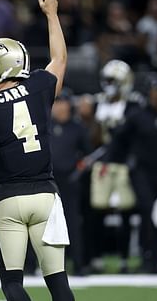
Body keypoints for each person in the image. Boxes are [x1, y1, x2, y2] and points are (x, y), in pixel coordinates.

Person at [0, 0, 74, 301]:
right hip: (46, 197)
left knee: (12, 284)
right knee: (59, 282)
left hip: (9, 199)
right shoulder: (38, 87)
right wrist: (52, 14)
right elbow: (59, 59)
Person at [110, 73, 157, 273]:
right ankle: (146, 256)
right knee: (147, 209)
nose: (155, 93)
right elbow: (119, 138)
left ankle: (154, 259)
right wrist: (122, 160)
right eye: (153, 88)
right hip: (140, 170)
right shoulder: (138, 115)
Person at [89, 59, 140, 274]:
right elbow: (94, 140)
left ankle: (124, 259)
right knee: (97, 211)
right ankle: (97, 257)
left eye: (114, 80)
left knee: (126, 212)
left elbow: (134, 138)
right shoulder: (98, 104)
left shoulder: (133, 105)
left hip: (123, 165)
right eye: (107, 80)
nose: (109, 84)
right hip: (103, 164)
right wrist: (98, 122)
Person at [50, 89, 90, 276]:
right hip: (47, 182)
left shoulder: (77, 128)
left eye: (62, 102)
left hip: (70, 181)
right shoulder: (44, 126)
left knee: (72, 224)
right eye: (56, 103)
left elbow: (88, 156)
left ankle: (79, 264)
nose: (59, 106)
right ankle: (45, 266)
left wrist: (79, 170)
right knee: (45, 224)